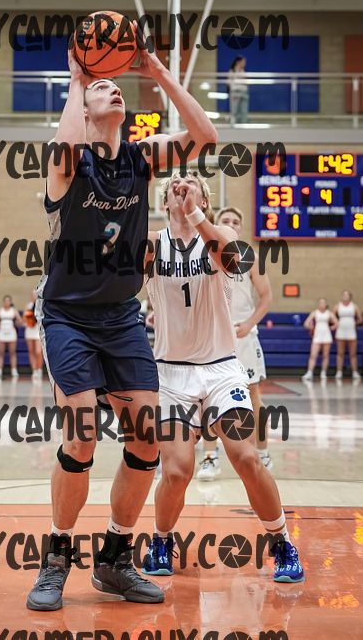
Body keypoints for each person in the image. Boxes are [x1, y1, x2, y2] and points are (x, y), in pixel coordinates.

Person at [26, 30, 218, 611]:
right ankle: (56, 559)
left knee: (146, 439)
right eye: (100, 87)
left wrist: (157, 72)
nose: (112, 88)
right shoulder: (68, 163)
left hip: (121, 316)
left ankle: (114, 559)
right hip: (67, 315)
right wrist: (77, 79)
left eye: (115, 85)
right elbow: (64, 146)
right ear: (83, 110)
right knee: (81, 433)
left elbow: (205, 137)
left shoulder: (140, 157)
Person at [141, 171, 304, 584]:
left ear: (204, 199)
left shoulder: (222, 237)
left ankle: (281, 541)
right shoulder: (152, 244)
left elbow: (230, 258)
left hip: (221, 369)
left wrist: (194, 214)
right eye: (174, 184)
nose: (181, 184)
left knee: (246, 457)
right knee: (177, 470)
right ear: (164, 201)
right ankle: (161, 540)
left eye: (191, 182)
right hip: (171, 374)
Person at [197, 206, 273, 480]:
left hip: (243, 335)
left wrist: (250, 323)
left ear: (240, 227)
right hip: (214, 337)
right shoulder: (204, 254)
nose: (231, 224)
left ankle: (262, 453)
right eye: (225, 220)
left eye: (235, 221)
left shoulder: (251, 257)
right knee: (206, 397)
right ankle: (210, 457)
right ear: (216, 224)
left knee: (253, 396)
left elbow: (266, 296)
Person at [302, 299, 338, 381]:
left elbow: (337, 323)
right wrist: (311, 327)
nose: (321, 304)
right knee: (313, 355)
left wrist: (331, 328)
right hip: (317, 335)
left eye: (323, 303)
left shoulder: (329, 313)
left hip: (326, 335)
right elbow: (306, 323)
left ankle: (323, 373)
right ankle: (309, 372)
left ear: (326, 304)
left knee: (325, 355)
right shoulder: (315, 313)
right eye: (320, 303)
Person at [0, 294, 22, 379]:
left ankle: (14, 370)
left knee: (12, 352)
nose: (7, 302)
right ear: (3, 302)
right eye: (5, 301)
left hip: (11, 333)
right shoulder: (0, 310)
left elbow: (20, 321)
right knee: (0, 353)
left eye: (8, 301)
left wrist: (17, 323)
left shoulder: (14, 311)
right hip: (2, 333)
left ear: (11, 302)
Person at [333, 290, 361, 381]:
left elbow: (360, 319)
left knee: (353, 353)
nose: (345, 296)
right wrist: (336, 324)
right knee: (340, 353)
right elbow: (332, 317)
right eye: (343, 294)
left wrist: (354, 323)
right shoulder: (337, 306)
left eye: (346, 295)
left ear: (350, 296)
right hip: (340, 331)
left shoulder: (354, 306)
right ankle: (339, 372)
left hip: (351, 331)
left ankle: (355, 372)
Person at [24, 290, 43, 381]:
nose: (34, 296)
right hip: (30, 330)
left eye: (35, 294)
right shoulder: (28, 306)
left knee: (38, 351)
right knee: (31, 351)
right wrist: (28, 321)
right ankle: (34, 370)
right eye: (33, 294)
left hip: (38, 330)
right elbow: (24, 318)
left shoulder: (41, 305)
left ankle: (39, 369)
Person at [227, 55, 248, 125]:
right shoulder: (232, 71)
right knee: (234, 110)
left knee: (243, 111)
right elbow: (228, 83)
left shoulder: (243, 71)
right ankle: (233, 125)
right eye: (243, 62)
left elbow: (246, 82)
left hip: (244, 93)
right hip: (235, 93)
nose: (244, 63)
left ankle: (243, 125)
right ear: (238, 62)